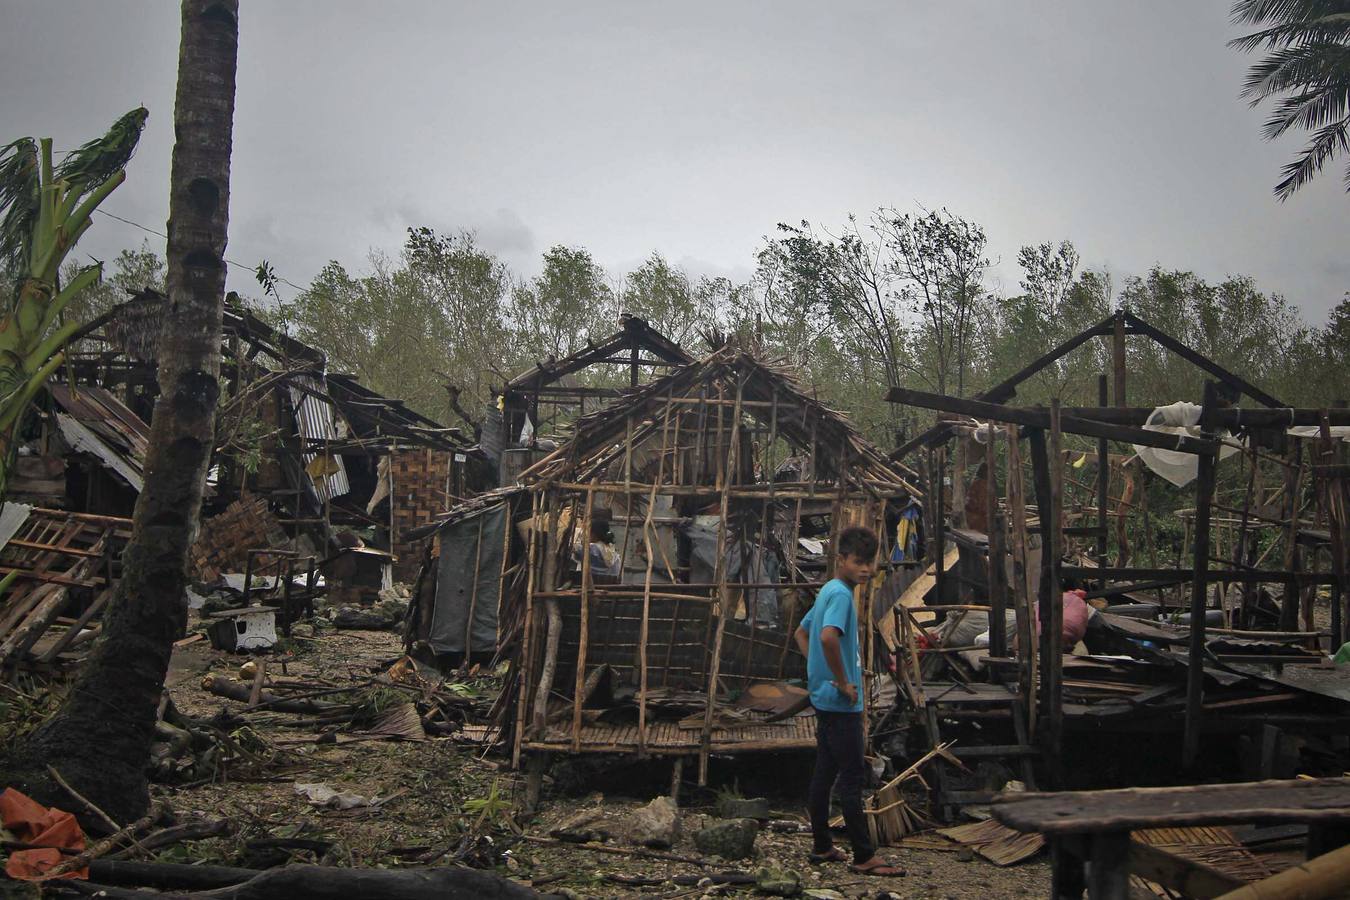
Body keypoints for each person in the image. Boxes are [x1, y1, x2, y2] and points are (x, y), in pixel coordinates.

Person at [794, 526, 904, 876]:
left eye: (870, 563)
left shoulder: (828, 589)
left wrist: (818, 673)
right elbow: (827, 637)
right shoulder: (840, 594)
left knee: (824, 774)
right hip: (841, 703)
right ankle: (863, 855)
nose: (866, 570)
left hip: (824, 699)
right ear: (841, 560)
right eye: (858, 562)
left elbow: (802, 632)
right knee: (852, 779)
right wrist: (842, 682)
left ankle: (822, 846)